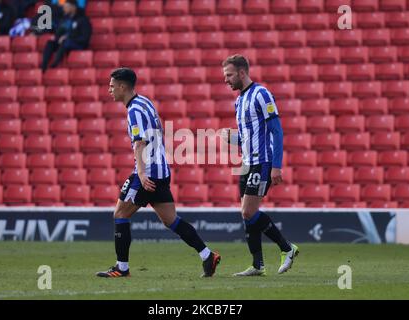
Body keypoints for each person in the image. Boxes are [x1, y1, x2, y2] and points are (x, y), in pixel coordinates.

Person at [96, 67, 221, 278]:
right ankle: (207, 255)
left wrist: (142, 174)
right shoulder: (146, 102)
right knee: (171, 220)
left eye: (111, 85)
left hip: (148, 172)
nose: (109, 89)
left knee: (120, 214)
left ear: (123, 86)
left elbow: (140, 143)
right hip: (162, 170)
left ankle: (121, 268)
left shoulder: (134, 110)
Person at [221, 54, 299, 276]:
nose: (226, 80)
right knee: (246, 214)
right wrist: (232, 139)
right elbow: (248, 137)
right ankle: (257, 265)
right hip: (246, 163)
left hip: (262, 162)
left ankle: (287, 248)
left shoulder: (261, 94)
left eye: (229, 75)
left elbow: (277, 131)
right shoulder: (239, 100)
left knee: (248, 211)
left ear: (242, 73)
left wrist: (276, 166)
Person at [40, 0, 91, 72]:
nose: (64, 9)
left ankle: (55, 63)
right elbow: (59, 32)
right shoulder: (65, 19)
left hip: (78, 43)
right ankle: (44, 65)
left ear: (73, 7)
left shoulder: (83, 19)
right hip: (64, 42)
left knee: (65, 41)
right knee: (50, 43)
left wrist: (68, 37)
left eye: (66, 7)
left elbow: (85, 37)